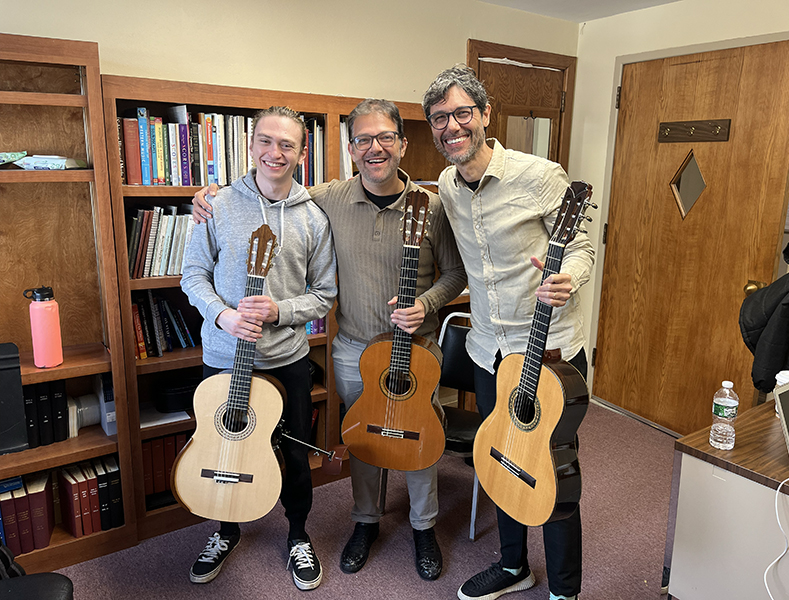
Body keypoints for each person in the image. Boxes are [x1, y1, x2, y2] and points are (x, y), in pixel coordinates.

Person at [191, 99, 467, 581]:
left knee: (419, 436)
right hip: (353, 347)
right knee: (362, 439)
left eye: (385, 138)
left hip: (413, 349)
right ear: (350, 149)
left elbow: (455, 273)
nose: (374, 148)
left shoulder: (428, 206)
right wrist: (203, 197)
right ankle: (364, 522)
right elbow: (271, 193)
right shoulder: (326, 198)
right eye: (362, 140)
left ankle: (423, 526)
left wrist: (426, 304)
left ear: (403, 144)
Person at [422, 66, 595, 600]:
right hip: (487, 348)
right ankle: (513, 565)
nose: (452, 126)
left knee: (552, 468)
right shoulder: (448, 185)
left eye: (461, 113)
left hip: (548, 350)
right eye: (439, 119)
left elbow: (585, 246)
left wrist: (569, 277)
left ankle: (565, 589)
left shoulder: (541, 176)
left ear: (485, 115)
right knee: (501, 458)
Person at [181, 105, 337, 591]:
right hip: (223, 358)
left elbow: (325, 294)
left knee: (291, 454)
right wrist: (224, 315)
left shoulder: (313, 218)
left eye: (287, 144)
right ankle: (225, 530)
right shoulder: (217, 205)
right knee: (224, 442)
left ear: (301, 152)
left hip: (286, 358)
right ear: (250, 146)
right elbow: (193, 275)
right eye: (266, 141)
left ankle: (297, 534)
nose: (275, 152)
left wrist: (279, 311)